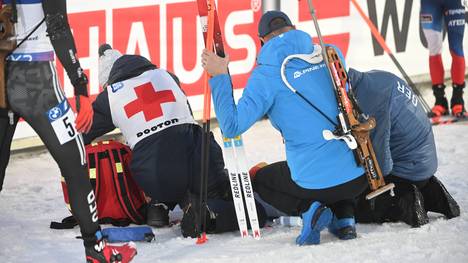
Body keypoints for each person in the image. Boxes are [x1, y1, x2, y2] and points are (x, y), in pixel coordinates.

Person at [202, 10, 369, 245]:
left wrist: (219, 75)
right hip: (358, 176)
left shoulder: (266, 74)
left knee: (261, 179)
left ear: (262, 41)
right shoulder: (331, 52)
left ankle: (310, 210)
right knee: (334, 159)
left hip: (314, 183)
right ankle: (344, 218)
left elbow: (231, 126)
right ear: (293, 29)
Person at [0, 1, 136, 262]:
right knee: (75, 162)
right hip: (35, 83)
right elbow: (58, 28)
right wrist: (81, 88)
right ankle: (95, 248)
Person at [87, 44, 267, 237]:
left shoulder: (110, 96)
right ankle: (208, 206)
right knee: (243, 205)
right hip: (203, 161)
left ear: (108, 81)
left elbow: (80, 133)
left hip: (157, 174)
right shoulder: (166, 76)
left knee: (146, 153)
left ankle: (164, 204)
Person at [346, 68, 460, 227]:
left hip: (408, 171)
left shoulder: (371, 98)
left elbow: (382, 166)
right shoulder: (377, 77)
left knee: (358, 206)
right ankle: (431, 192)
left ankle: (406, 199)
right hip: (425, 165)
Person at [420, 0, 466, 117]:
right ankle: (440, 101)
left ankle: (457, 100)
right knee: (433, 48)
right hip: (429, 3)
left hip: (455, 2)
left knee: (456, 47)